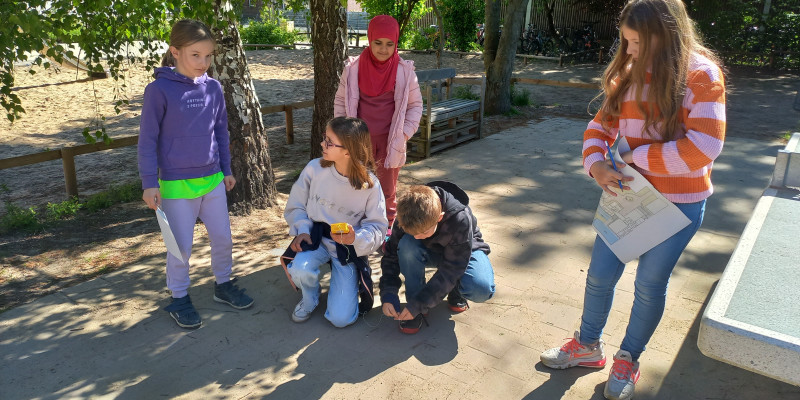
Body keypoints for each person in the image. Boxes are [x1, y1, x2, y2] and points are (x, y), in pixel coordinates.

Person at [538, 1, 726, 399]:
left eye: (638, 42)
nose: (631, 51)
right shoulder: (628, 71)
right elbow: (599, 125)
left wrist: (631, 158)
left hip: (678, 205)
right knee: (600, 274)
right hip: (626, 195)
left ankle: (628, 357)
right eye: (627, 41)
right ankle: (588, 345)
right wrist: (596, 165)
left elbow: (704, 148)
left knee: (649, 285)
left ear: (667, 34)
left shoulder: (702, 75)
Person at [137, 19, 254, 329]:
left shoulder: (213, 88)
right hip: (175, 186)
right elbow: (147, 140)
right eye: (195, 55)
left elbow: (220, 132)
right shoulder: (158, 90)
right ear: (175, 52)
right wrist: (150, 184)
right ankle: (178, 297)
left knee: (222, 238)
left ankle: (224, 284)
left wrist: (226, 170)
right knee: (180, 249)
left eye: (208, 56)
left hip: (213, 180)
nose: (203, 63)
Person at [284, 117, 388, 328]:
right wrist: (302, 229)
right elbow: (296, 204)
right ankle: (310, 298)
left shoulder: (370, 185)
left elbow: (378, 227)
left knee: (341, 319)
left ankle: (341, 283)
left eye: (329, 141)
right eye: (324, 138)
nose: (322, 144)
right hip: (316, 237)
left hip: (345, 248)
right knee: (300, 269)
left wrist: (356, 238)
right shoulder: (315, 168)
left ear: (348, 150)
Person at [334, 14, 423, 235]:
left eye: (389, 44)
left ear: (396, 44)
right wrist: (343, 132)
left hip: (390, 140)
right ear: (369, 40)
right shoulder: (353, 69)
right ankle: (358, 229)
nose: (383, 49)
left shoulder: (404, 71)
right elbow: (340, 101)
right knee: (357, 183)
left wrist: (404, 133)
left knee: (387, 189)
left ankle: (386, 229)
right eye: (378, 43)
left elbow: (415, 105)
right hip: (358, 141)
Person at [379, 183, 496, 334]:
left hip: (464, 252)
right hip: (431, 251)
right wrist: (388, 293)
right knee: (407, 246)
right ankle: (414, 301)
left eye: (423, 232)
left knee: (481, 289)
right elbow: (391, 255)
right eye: (412, 232)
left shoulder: (460, 218)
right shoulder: (406, 214)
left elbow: (452, 268)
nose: (417, 236)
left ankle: (455, 290)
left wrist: (421, 303)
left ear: (440, 217)